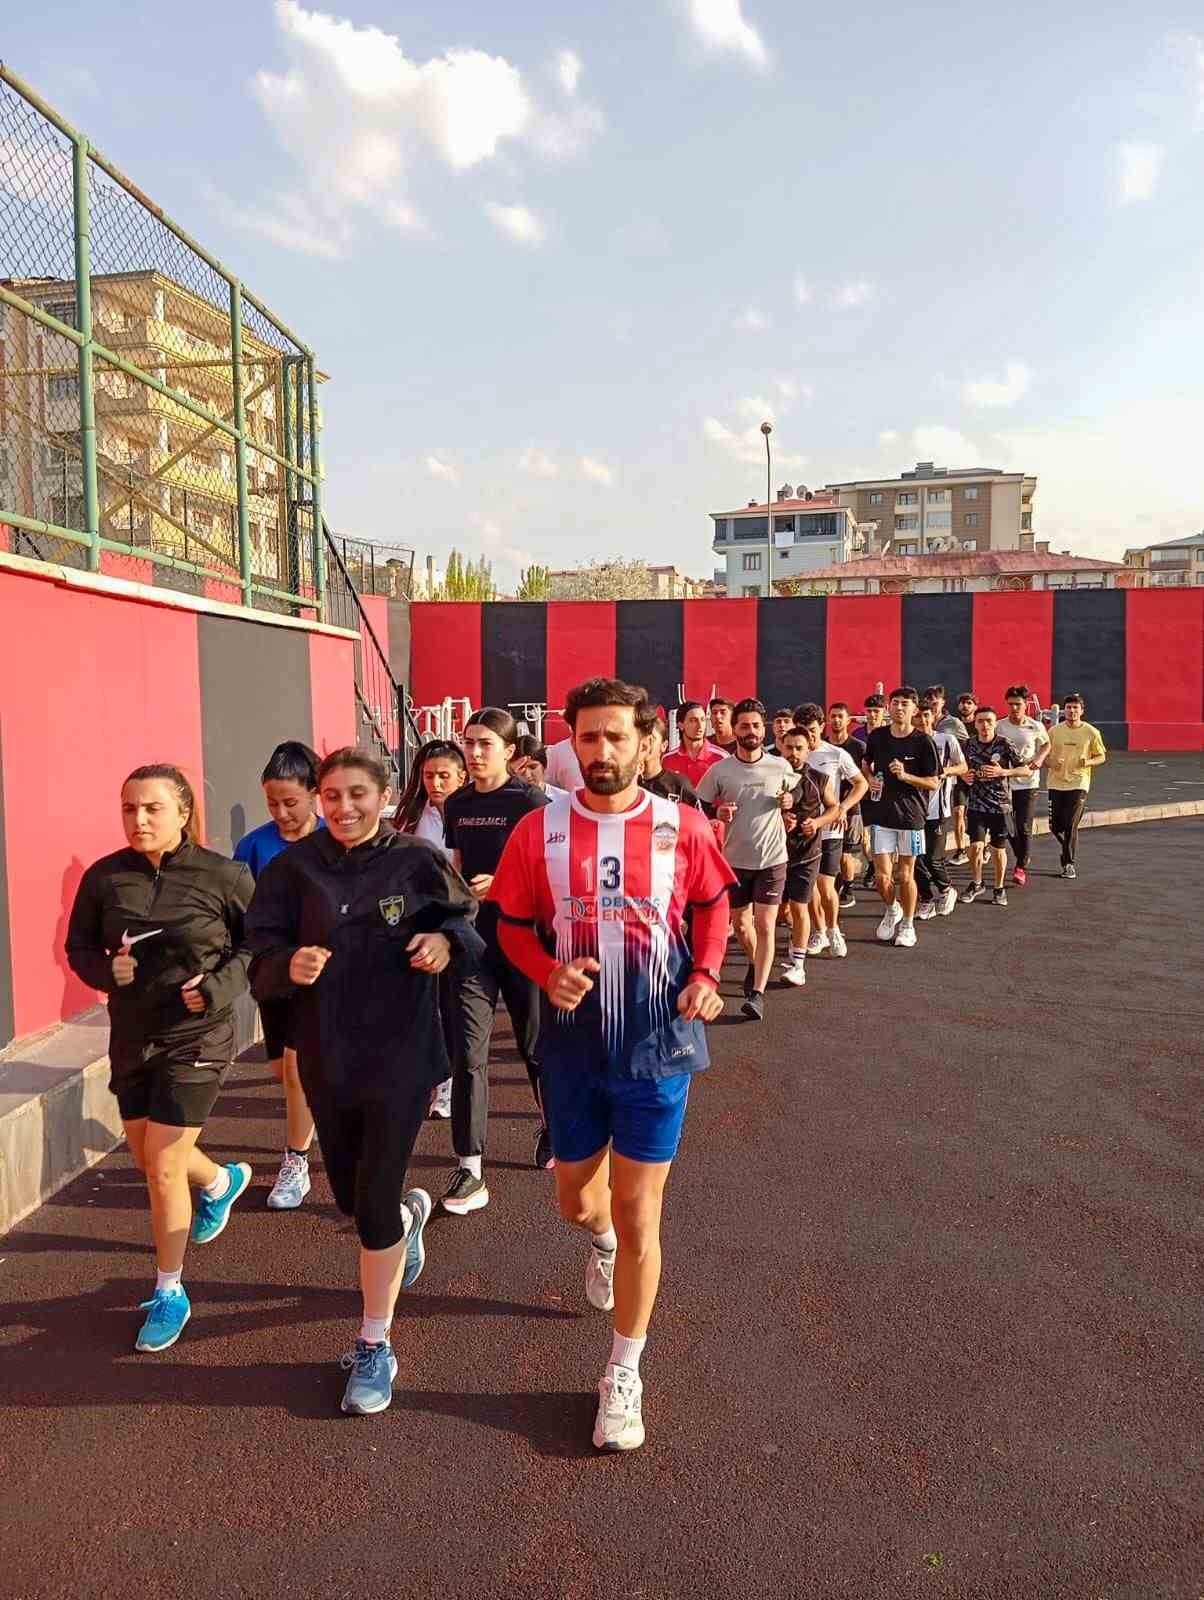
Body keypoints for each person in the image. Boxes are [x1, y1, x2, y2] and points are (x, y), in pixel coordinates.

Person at [489, 676, 735, 1452]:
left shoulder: (682, 824)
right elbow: (512, 925)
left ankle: (623, 1373)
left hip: (657, 1050)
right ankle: (597, 1244)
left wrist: (704, 976)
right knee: (576, 1204)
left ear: (645, 742)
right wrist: (542, 971)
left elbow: (713, 904)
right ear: (571, 744)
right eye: (588, 737)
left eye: (616, 736)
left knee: (639, 1214)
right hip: (570, 1050)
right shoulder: (539, 830)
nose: (602, 751)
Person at [246, 748, 483, 1416]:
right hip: (327, 1055)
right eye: (331, 795)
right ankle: (408, 1218)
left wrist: (442, 944)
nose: (344, 808)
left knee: (371, 1205)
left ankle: (374, 1344)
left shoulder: (417, 860)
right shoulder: (295, 869)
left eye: (357, 794)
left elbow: (465, 926)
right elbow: (257, 952)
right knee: (353, 1204)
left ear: (384, 796)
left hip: (403, 1058)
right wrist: (287, 963)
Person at [66, 764, 254, 1353]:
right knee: (150, 1157)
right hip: (132, 1035)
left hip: (198, 1036)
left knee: (164, 1166)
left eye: (151, 808)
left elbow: (261, 942)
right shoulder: (104, 878)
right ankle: (222, 1180)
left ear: (182, 812)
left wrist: (220, 986)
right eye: (128, 809)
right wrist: (105, 970)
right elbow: (78, 946)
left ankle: (170, 1289)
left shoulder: (224, 876)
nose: (138, 819)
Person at [442, 707, 552, 1200]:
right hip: (472, 945)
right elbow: (458, 866)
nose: (475, 752)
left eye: (486, 744)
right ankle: (469, 1167)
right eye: (469, 742)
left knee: (534, 1049)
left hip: (523, 941)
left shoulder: (530, 800)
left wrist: (505, 885)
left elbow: (552, 872)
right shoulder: (457, 803)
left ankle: (554, 1127)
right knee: (467, 1056)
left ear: (510, 751)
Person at [233, 741, 323, 1208]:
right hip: (272, 973)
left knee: (296, 1068)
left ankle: (296, 1161)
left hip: (322, 973)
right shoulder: (252, 846)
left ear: (314, 793)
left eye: (291, 802)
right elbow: (237, 909)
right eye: (273, 803)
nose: (282, 813)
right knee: (282, 1070)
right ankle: (311, 1125)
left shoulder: (335, 838)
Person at [696, 697, 799, 1021]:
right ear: (735, 730)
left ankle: (757, 993)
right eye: (744, 726)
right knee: (741, 925)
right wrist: (717, 812)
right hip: (734, 860)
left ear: (763, 728)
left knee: (764, 923)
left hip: (772, 858)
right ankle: (757, 965)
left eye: (756, 725)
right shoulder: (720, 770)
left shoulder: (780, 765)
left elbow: (793, 795)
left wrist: (789, 801)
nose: (751, 731)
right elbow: (700, 804)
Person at [394, 739, 469, 1118]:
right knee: (426, 1007)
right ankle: (437, 1082)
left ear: (462, 776)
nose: (435, 783)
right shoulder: (410, 818)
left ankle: (452, 1082)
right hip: (418, 923)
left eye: (443, 775)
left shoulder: (471, 814)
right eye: (428, 775)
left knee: (456, 1008)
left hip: (462, 923)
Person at [861, 687, 941, 948]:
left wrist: (906, 776)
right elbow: (866, 763)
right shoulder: (878, 736)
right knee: (883, 878)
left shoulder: (923, 742)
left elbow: (934, 783)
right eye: (894, 703)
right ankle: (892, 908)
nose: (898, 707)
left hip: (911, 818)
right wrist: (871, 779)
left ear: (914, 709)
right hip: (881, 815)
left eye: (904, 704)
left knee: (906, 876)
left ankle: (907, 924)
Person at [792, 704, 867, 960]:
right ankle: (819, 931)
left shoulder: (836, 754)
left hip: (831, 829)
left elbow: (862, 783)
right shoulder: (791, 754)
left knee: (825, 885)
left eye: (813, 731)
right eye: (805, 731)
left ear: (822, 727)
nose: (810, 737)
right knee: (810, 887)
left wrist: (843, 807)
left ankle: (834, 929)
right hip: (802, 833)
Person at [778, 726, 840, 985]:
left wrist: (817, 823)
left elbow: (835, 808)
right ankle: (788, 947)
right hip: (774, 854)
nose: (794, 753)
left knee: (799, 906)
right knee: (776, 912)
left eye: (799, 748)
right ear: (781, 747)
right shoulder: (772, 775)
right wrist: (781, 817)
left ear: (808, 749)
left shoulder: (818, 777)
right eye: (789, 747)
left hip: (807, 854)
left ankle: (798, 966)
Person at [960, 707, 1028, 906]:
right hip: (976, 804)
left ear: (995, 723)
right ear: (975, 723)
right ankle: (977, 882)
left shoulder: (1004, 744)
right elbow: (959, 767)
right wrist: (963, 775)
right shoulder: (968, 744)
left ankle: (998, 889)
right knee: (975, 847)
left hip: (1000, 806)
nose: (985, 725)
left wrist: (1003, 773)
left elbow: (1024, 769)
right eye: (980, 721)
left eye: (989, 721)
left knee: (998, 850)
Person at [912, 700, 965, 920]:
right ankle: (926, 900)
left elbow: (963, 767)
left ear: (934, 717)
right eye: (919, 716)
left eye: (928, 715)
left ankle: (946, 889)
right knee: (915, 859)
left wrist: (946, 771)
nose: (924, 720)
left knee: (933, 859)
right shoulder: (909, 742)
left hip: (938, 810)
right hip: (913, 811)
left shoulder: (947, 739)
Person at [1046, 693, 1107, 879]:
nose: (1072, 711)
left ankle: (1068, 863)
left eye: (1075, 708)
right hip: (1056, 782)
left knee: (1071, 824)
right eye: (1069, 708)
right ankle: (1067, 847)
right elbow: (1044, 755)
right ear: (1065, 710)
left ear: (1082, 711)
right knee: (1055, 826)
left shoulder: (1091, 732)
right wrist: (1051, 763)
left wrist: (1087, 762)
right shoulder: (1054, 731)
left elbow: (1102, 756)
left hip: (1079, 782)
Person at [997, 684, 1050, 887]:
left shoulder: (1035, 726)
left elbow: (1047, 744)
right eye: (1010, 704)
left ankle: (1020, 866)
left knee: (1023, 826)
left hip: (1028, 782)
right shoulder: (1000, 726)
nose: (1014, 708)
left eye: (1018, 704)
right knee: (1006, 826)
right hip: (1004, 782)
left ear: (1025, 705)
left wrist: (1039, 758)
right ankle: (1023, 854)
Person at [825, 702, 866, 909]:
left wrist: (846, 806)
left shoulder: (858, 747)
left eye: (840, 716)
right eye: (833, 716)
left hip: (851, 809)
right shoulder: (822, 747)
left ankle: (848, 889)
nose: (836, 720)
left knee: (845, 853)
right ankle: (833, 887)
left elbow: (864, 780)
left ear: (848, 720)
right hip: (826, 811)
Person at [852, 693, 888, 886]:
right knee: (865, 834)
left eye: (877, 711)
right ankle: (872, 866)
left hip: (885, 793)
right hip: (862, 792)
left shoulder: (890, 733)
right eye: (869, 711)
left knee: (881, 832)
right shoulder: (857, 735)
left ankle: (881, 869)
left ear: (884, 713)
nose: (873, 715)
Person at [663, 701, 726, 788]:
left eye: (703, 720)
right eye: (693, 720)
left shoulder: (722, 758)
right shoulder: (667, 760)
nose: (700, 726)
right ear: (681, 725)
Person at [641, 715, 701, 805]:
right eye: (640, 738)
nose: (645, 744)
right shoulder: (626, 784)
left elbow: (698, 818)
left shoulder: (679, 786)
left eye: (651, 739)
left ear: (664, 746)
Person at [949, 692, 979, 863]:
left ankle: (983, 847)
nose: (965, 706)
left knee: (978, 815)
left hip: (978, 777)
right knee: (959, 812)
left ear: (974, 707)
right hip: (960, 776)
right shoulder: (953, 725)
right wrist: (960, 773)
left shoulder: (980, 725)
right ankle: (961, 851)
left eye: (969, 703)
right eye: (962, 702)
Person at [510, 734, 570, 800]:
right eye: (520, 768)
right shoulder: (504, 801)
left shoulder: (564, 799)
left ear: (544, 766)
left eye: (533, 767)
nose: (527, 774)